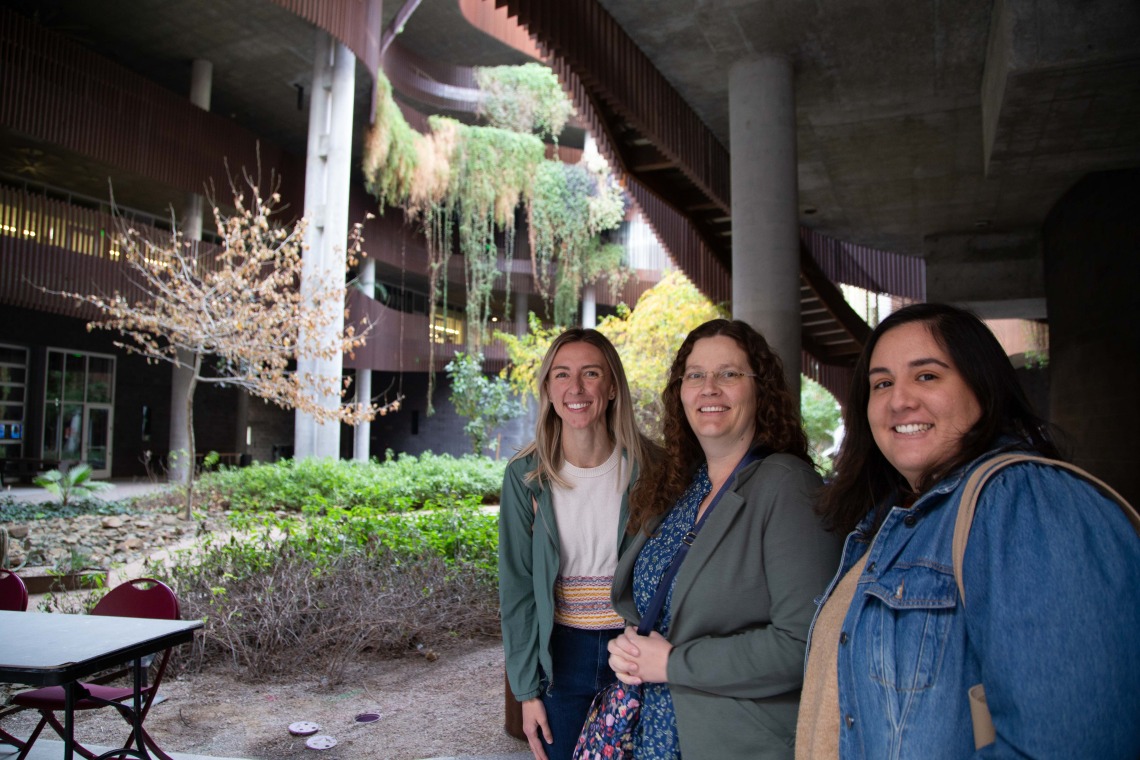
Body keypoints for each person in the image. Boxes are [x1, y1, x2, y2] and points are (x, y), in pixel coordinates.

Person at [796, 302, 1140, 759]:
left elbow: (1068, 743)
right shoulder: (890, 519)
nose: (899, 400)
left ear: (982, 386)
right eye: (882, 383)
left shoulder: (1024, 503)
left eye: (927, 376)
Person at [607, 319, 842, 759]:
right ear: (680, 391)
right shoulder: (681, 486)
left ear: (760, 390)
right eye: (695, 375)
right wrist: (632, 641)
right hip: (654, 733)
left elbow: (804, 643)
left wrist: (672, 663)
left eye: (729, 374)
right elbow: (666, 601)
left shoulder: (788, 487)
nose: (709, 388)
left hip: (736, 740)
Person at [499, 328, 655, 760]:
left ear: (611, 387)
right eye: (562, 374)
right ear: (548, 388)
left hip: (636, 648)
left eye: (590, 373)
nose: (576, 388)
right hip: (561, 655)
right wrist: (527, 693)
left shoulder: (652, 468)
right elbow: (517, 592)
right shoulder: (525, 477)